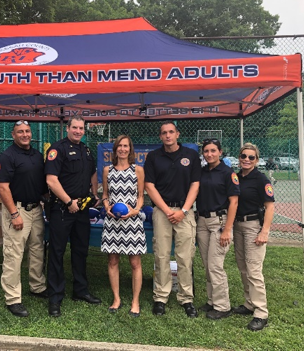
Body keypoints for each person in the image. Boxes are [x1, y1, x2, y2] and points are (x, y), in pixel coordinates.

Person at [44, 116, 101, 317]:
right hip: (62, 208)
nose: (78, 131)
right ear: (67, 128)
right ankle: (55, 297)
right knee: (57, 253)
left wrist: (94, 194)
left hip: (82, 209)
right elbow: (51, 181)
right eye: (74, 127)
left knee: (80, 251)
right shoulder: (57, 149)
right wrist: (69, 202)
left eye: (81, 128)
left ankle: (80, 290)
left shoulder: (86, 149)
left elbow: (93, 173)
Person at [144, 121, 201, 318]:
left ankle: (186, 298)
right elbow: (149, 186)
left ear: (177, 134)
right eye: (164, 133)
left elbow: (195, 185)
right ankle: (160, 297)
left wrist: (183, 210)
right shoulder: (153, 157)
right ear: (160, 136)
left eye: (171, 132)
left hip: (185, 212)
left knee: (185, 257)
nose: (168, 136)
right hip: (162, 211)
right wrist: (167, 210)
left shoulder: (191, 155)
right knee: (161, 255)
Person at [0, 121, 47, 317]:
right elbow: (2, 188)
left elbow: (41, 184)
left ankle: (37, 286)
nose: (25, 135)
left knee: (37, 249)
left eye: (27, 131)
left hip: (35, 210)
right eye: (20, 132)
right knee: (14, 254)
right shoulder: (7, 156)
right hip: (17, 210)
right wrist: (14, 214)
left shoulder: (37, 155)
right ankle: (13, 298)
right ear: (13, 135)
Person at [100, 135, 146, 317]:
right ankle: (116, 299)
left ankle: (135, 301)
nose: (122, 149)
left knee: (135, 262)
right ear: (115, 149)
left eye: (126, 146)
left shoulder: (138, 170)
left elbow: (141, 196)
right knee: (112, 261)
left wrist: (135, 211)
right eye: (119, 146)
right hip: (113, 222)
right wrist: (106, 207)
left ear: (130, 149)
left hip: (132, 222)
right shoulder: (107, 170)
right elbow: (104, 194)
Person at [195, 138, 239, 320]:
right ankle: (212, 300)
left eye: (213, 151)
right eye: (206, 151)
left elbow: (234, 201)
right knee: (207, 264)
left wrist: (227, 229)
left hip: (219, 221)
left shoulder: (228, 173)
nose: (209, 154)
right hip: (202, 221)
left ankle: (223, 305)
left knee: (215, 265)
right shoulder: (202, 172)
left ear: (220, 152)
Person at [233, 143, 274, 331]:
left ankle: (261, 312)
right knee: (243, 267)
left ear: (256, 160)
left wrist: (264, 231)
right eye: (243, 156)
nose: (246, 160)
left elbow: (270, 206)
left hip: (253, 226)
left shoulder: (261, 179)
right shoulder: (236, 177)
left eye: (251, 157)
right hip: (237, 225)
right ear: (239, 157)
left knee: (254, 270)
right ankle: (249, 304)